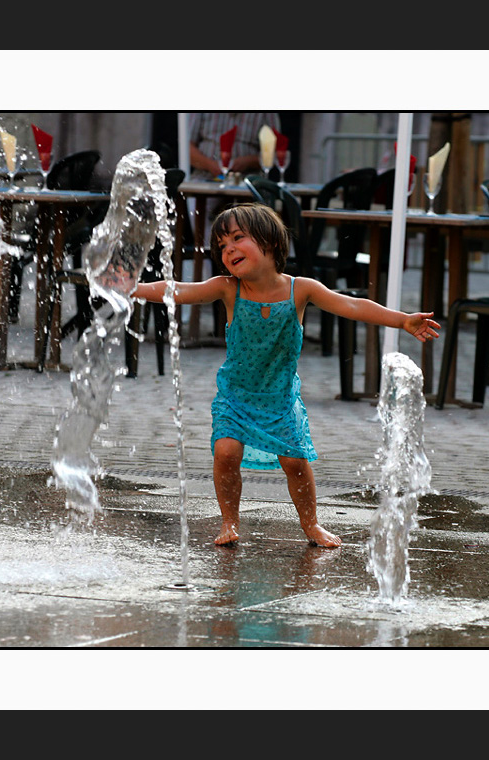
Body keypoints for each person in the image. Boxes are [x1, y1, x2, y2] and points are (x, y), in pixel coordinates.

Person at [133, 204, 440, 549]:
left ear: (270, 243)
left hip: (279, 399)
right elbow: (177, 290)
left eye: (237, 238)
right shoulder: (227, 289)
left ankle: (311, 525)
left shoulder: (301, 290)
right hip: (235, 396)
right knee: (226, 452)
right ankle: (229, 521)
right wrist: (134, 289)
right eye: (221, 245)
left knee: (295, 462)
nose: (228, 249)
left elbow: (352, 305)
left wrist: (402, 320)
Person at [188, 112, 281, 181]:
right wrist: (210, 165)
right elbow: (186, 147)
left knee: (256, 204)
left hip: (249, 180)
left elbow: (277, 153)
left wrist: (248, 161)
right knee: (193, 202)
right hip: (205, 177)